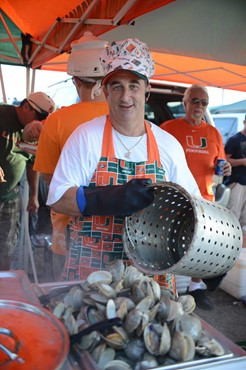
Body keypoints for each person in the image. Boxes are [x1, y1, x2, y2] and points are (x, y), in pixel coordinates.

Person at [46, 38, 200, 295]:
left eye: (133, 86)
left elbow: (193, 206)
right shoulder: (86, 136)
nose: (125, 96)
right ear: (105, 92)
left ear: (146, 90)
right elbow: (58, 198)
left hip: (152, 276)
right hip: (93, 274)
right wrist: (110, 197)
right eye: (116, 86)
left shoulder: (168, 145)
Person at [31, 32, 109, 280]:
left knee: (66, 298)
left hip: (67, 228)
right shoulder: (124, 117)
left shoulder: (57, 120)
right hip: (113, 228)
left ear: (76, 80)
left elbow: (48, 178)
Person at [160, 84, 231, 309]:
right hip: (175, 198)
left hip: (204, 199)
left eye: (204, 102)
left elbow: (219, 164)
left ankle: (195, 287)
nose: (199, 106)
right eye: (195, 101)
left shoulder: (213, 133)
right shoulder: (168, 128)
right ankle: (164, 287)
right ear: (185, 103)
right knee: (169, 242)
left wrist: (226, 168)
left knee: (201, 246)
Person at [0, 92, 55, 270]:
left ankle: (3, 286)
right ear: (25, 107)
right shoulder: (2, 113)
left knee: (7, 247)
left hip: (11, 194)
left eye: (43, 118)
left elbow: (32, 165)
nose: (38, 121)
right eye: (38, 116)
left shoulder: (35, 132)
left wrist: (33, 196)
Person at [224, 115, 246, 248]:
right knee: (232, 217)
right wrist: (242, 162)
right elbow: (225, 159)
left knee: (244, 220)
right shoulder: (234, 139)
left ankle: (241, 250)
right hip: (236, 182)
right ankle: (228, 247)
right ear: (244, 122)